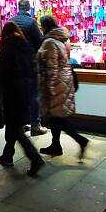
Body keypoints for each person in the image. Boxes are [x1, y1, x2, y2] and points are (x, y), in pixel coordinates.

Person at [0, 21, 45, 176]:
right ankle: (7, 155)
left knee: (15, 128)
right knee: (14, 125)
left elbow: (1, 73)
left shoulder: (7, 49)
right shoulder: (26, 47)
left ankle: (35, 158)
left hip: (12, 93)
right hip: (26, 93)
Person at [37, 15, 89, 160]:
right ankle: (56, 145)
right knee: (56, 116)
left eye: (41, 26)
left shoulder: (49, 43)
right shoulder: (63, 39)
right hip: (65, 80)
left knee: (58, 117)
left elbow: (51, 68)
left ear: (45, 26)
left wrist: (50, 88)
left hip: (56, 83)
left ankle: (80, 140)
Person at [8, 0, 46, 136]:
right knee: (33, 95)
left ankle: (21, 123)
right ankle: (35, 125)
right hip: (29, 64)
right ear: (29, 8)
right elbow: (39, 42)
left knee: (18, 95)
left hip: (12, 65)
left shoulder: (10, 21)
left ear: (18, 7)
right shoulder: (31, 22)